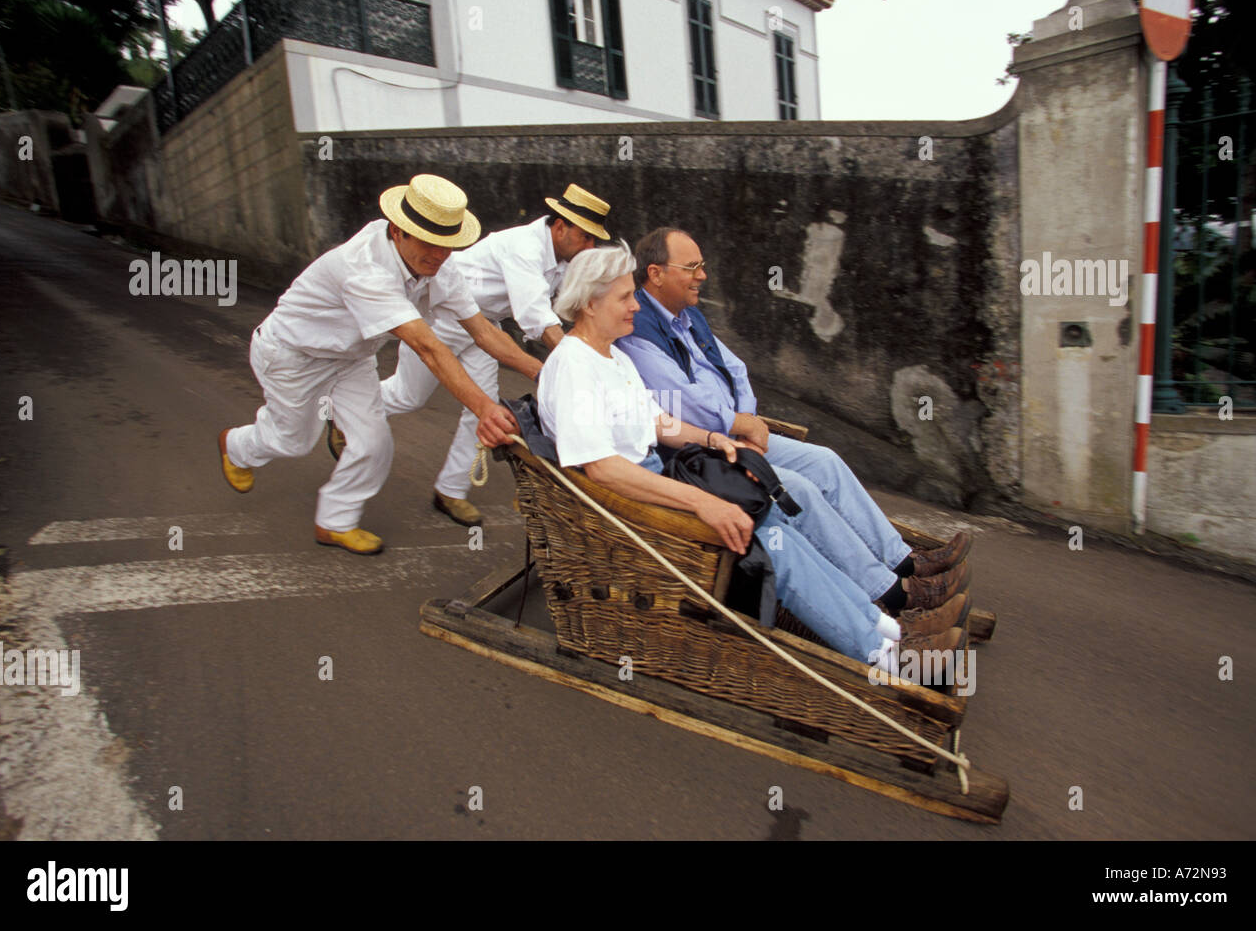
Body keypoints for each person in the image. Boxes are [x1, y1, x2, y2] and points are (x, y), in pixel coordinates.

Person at [535, 242, 963, 671]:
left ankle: (885, 627)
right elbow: (602, 468)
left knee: (776, 520)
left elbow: (659, 422)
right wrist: (706, 502)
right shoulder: (575, 367)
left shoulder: (610, 355)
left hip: (657, 477)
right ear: (590, 304)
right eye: (625, 297)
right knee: (771, 544)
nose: (634, 306)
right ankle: (884, 655)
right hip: (630, 502)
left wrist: (711, 439)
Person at [616, 227, 972, 627]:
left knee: (825, 462)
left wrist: (748, 421)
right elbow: (681, 402)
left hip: (732, 435)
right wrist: (736, 425)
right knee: (796, 490)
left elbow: (735, 369)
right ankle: (892, 594)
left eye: (703, 265)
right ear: (656, 273)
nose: (702, 275)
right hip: (697, 451)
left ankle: (902, 563)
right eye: (692, 267)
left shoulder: (688, 314)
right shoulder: (637, 328)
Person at [218, 174, 541, 555]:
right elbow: (428, 347)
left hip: (351, 358)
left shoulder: (440, 265)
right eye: (430, 243)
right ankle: (237, 446)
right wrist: (485, 408)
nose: (439, 255)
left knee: (374, 442)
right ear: (398, 231)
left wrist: (545, 374)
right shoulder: (364, 269)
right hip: (293, 355)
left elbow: (484, 332)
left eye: (447, 246)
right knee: (292, 440)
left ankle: (334, 522)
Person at [364, 184, 611, 526]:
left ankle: (450, 490)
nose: (590, 247)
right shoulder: (524, 247)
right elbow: (536, 314)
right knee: (408, 396)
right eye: (585, 237)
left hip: (485, 326)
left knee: (484, 409)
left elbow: (575, 306)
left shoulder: (565, 259)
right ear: (560, 227)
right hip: (446, 316)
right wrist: (576, 362)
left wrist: (605, 345)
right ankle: (343, 408)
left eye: (593, 240)